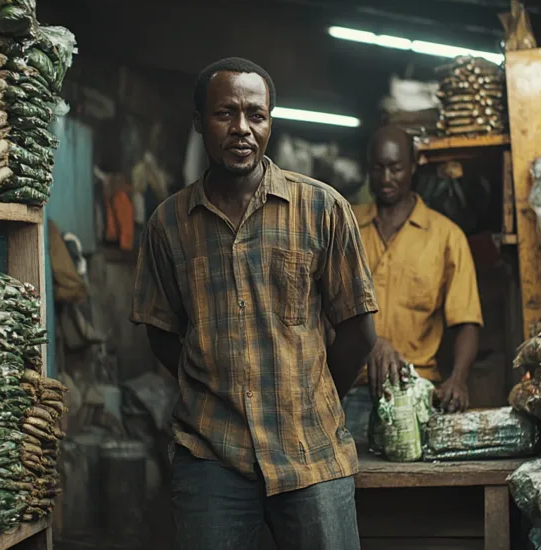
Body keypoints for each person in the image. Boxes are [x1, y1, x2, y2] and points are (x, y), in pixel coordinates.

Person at [131, 57, 378, 550]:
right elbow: (160, 329)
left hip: (312, 452)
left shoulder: (322, 208)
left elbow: (358, 329)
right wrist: (208, 383)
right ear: (200, 123)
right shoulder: (169, 224)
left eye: (256, 114)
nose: (242, 128)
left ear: (270, 120)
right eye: (225, 114)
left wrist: (310, 393)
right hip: (210, 454)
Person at [342, 125, 483, 445]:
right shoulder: (344, 225)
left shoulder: (446, 236)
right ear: (368, 167)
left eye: (395, 168)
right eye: (378, 168)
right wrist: (370, 342)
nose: (386, 177)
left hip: (418, 391)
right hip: (351, 394)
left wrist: (458, 380)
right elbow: (320, 310)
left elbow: (467, 322)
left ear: (415, 163)